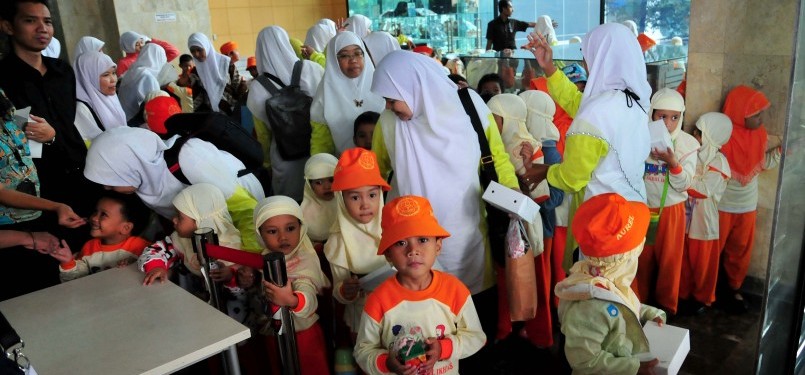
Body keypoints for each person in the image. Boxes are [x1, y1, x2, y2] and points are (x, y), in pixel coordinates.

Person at [370, 50, 519, 353]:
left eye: (391, 98)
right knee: (424, 321)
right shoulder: (388, 123)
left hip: (468, 237)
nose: (388, 106)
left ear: (413, 86)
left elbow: (497, 161)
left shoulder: (470, 106)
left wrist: (516, 206)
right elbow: (376, 172)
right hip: (412, 241)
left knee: (474, 315)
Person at [521, 23, 651, 273]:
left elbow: (572, 178)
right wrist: (549, 68)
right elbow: (578, 103)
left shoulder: (596, 112)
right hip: (634, 212)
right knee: (621, 289)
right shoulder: (634, 99)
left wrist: (543, 171)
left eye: (588, 56)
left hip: (604, 222)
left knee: (595, 298)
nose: (587, 62)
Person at [0, 0, 99, 255]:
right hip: (42, 185)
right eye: (30, 20)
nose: (42, 28)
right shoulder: (5, 79)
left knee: (91, 249)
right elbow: (25, 135)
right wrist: (49, 137)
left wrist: (55, 136)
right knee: (59, 254)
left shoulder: (62, 71)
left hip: (81, 171)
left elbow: (67, 122)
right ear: (8, 26)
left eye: (47, 21)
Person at [354, 195, 486, 375]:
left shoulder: (455, 290)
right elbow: (363, 351)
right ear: (388, 255)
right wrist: (386, 363)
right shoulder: (378, 300)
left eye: (422, 240)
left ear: (438, 245)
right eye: (401, 243)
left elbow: (476, 337)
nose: (412, 250)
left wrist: (444, 348)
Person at [84, 127, 265, 251]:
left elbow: (247, 211)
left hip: (249, 227)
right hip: (218, 239)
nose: (108, 188)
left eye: (112, 181)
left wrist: (250, 259)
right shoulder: (145, 177)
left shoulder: (189, 160)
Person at [555, 193, 665, 375]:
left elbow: (623, 306)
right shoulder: (589, 306)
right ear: (625, 259)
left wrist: (648, 314)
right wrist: (634, 369)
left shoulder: (607, 278)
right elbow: (584, 362)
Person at [717, 85, 781, 313]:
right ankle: (708, 290)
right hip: (721, 204)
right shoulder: (722, 136)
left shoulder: (760, 135)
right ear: (738, 112)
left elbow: (761, 164)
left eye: (761, 113)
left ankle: (734, 288)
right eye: (755, 114)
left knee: (741, 249)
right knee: (712, 249)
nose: (761, 118)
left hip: (747, 204)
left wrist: (781, 152)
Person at [634, 88, 698, 315]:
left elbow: (684, 185)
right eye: (662, 116)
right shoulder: (637, 137)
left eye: (674, 117)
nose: (668, 124)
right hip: (641, 208)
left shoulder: (687, 145)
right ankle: (637, 303)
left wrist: (673, 162)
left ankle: (667, 306)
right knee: (640, 258)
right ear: (651, 114)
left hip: (671, 211)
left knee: (670, 259)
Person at [256, 196, 332, 375]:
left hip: (303, 335)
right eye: (272, 231)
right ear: (259, 234)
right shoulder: (264, 256)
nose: (283, 237)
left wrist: (291, 300)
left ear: (301, 228)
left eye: (290, 228)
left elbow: (309, 296)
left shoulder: (305, 260)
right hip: (273, 332)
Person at [247, 26, 324, 202]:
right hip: (316, 150)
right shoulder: (311, 69)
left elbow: (263, 137)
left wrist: (267, 165)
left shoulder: (257, 88)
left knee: (290, 206)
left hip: (284, 160)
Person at [324, 147, 390, 336]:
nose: (365, 204)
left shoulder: (393, 226)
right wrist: (346, 290)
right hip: (364, 318)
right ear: (341, 199)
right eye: (354, 197)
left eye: (372, 195)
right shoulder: (339, 240)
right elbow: (338, 290)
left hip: (399, 312)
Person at [517, 89, 565, 348]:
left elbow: (556, 199)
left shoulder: (549, 152)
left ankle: (541, 333)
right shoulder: (530, 145)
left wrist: (529, 174)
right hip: (531, 229)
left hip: (542, 231)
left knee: (540, 281)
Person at [679, 112, 733, 314]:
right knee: (684, 260)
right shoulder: (693, 155)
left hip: (704, 222)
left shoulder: (719, 162)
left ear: (711, 137)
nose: (694, 136)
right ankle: (683, 295)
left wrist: (683, 180)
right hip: (686, 218)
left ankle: (703, 298)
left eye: (699, 134)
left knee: (703, 264)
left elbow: (703, 190)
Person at [139, 183, 241, 286]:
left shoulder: (232, 249)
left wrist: (230, 276)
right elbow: (154, 250)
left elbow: (242, 289)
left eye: (179, 217)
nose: (174, 220)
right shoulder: (180, 239)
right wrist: (157, 267)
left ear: (200, 221)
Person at [48, 191, 151, 282]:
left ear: (126, 228)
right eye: (95, 212)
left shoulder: (142, 247)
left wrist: (136, 264)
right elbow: (77, 282)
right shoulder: (89, 247)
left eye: (103, 215)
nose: (94, 218)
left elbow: (158, 267)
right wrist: (68, 263)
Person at [310, 31, 385, 156]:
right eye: (344, 56)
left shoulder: (381, 87)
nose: (353, 60)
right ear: (334, 60)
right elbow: (320, 143)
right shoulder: (325, 95)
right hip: (343, 167)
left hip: (382, 167)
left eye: (357, 53)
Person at [188, 32, 248, 118]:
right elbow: (198, 100)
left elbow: (238, 88)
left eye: (199, 50)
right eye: (193, 51)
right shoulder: (195, 73)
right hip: (213, 118)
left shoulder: (226, 63)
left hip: (234, 113)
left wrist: (243, 86)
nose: (196, 54)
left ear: (206, 46)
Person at [73, 51, 127, 143]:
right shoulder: (81, 110)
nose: (113, 79)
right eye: (106, 75)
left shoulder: (110, 97)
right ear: (88, 77)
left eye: (114, 73)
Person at [117, 43, 171, 123]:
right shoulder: (147, 77)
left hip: (124, 118)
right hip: (135, 122)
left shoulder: (132, 71)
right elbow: (154, 105)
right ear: (158, 58)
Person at [301, 153, 338, 244]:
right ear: (310, 186)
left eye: (331, 180)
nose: (327, 187)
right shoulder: (303, 214)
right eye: (318, 182)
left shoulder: (348, 204)